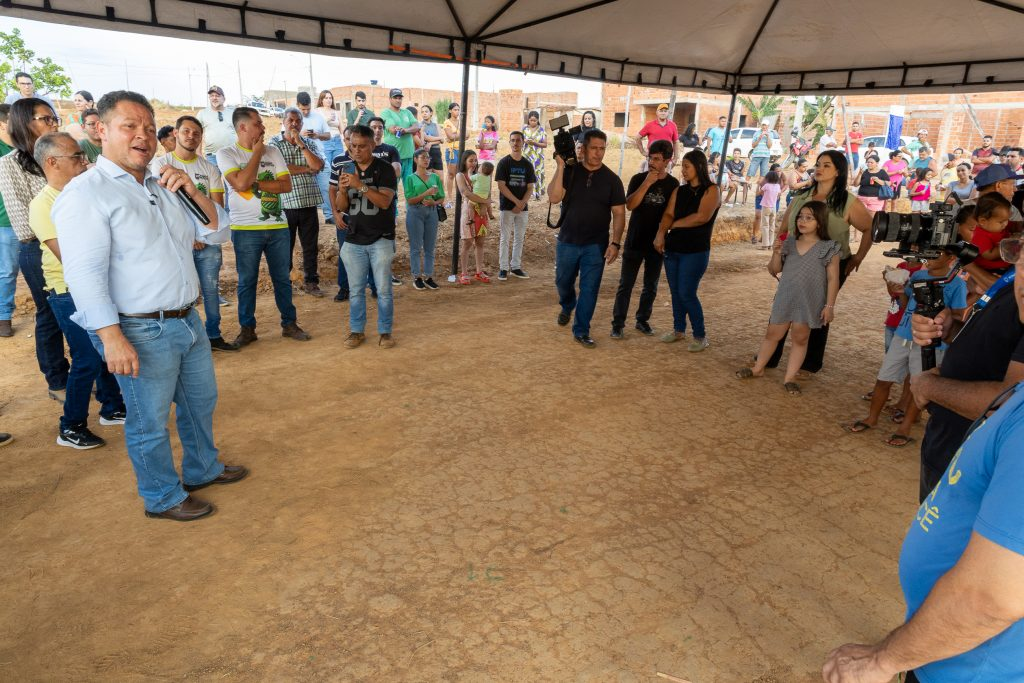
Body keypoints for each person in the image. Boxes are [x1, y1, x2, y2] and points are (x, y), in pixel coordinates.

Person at [823, 250, 1024, 682]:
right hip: (947, 649)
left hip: (973, 665)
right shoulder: (1007, 291)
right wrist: (953, 327)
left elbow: (989, 598)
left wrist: (883, 660)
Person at [53, 90, 247, 521]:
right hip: (140, 330)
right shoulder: (87, 194)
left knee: (200, 403)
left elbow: (218, 231)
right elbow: (83, 275)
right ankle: (162, 497)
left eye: (147, 126)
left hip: (186, 320)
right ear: (100, 131)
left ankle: (202, 469)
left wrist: (193, 192)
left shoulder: (162, 185)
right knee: (149, 423)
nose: (142, 135)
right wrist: (110, 337)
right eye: (129, 126)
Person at [908, 234, 1024, 503]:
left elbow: (1011, 402)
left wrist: (929, 385)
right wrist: (950, 330)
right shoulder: (1010, 282)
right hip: (948, 448)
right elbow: (993, 345)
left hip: (976, 470)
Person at [29, 131, 127, 449]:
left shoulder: (83, 193)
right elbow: (68, 256)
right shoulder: (42, 204)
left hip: (92, 284)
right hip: (67, 290)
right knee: (87, 357)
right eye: (76, 157)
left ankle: (111, 408)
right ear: (52, 162)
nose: (84, 163)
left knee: (101, 352)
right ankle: (70, 426)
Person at [762, 150, 875, 373]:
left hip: (829, 264)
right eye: (818, 164)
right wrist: (779, 251)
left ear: (838, 171)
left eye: (826, 165)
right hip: (796, 258)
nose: (819, 169)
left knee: (820, 310)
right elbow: (785, 227)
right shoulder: (802, 197)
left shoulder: (847, 201)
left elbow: (870, 228)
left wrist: (859, 257)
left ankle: (810, 361)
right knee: (783, 303)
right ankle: (770, 357)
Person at [843, 251, 968, 447]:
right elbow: (905, 303)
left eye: (938, 254)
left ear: (950, 257)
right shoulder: (918, 276)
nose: (930, 257)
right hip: (902, 335)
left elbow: (959, 316)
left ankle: (905, 428)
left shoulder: (957, 283)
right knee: (884, 379)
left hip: (930, 341)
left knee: (919, 386)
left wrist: (940, 312)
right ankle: (871, 418)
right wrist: (897, 289)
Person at [217, 106, 311, 346]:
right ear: (242, 127)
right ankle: (247, 329)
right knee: (247, 281)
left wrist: (253, 184)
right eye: (258, 123)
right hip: (245, 231)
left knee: (282, 278)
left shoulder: (274, 151)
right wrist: (257, 154)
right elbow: (239, 183)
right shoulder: (226, 154)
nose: (263, 127)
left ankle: (289, 324)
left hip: (278, 226)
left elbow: (285, 185)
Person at [149, 115, 236, 352]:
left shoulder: (208, 168)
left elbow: (216, 207)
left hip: (207, 243)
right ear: (175, 133)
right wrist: (189, 235)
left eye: (196, 133)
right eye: (186, 131)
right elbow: (166, 206)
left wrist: (200, 236)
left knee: (211, 290)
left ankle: (214, 336)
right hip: (178, 243)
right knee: (183, 292)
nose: (191, 136)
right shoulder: (160, 165)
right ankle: (188, 341)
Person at [0, 97, 69, 397]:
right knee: (50, 314)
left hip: (74, 242)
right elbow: (23, 222)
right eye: (45, 119)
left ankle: (86, 373)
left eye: (54, 119)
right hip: (37, 248)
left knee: (79, 309)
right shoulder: (9, 164)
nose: (52, 124)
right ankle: (57, 379)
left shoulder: (63, 158)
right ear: (23, 122)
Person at [736, 201, 839, 394]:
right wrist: (776, 253)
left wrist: (830, 306)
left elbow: (833, 278)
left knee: (800, 338)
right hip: (786, 296)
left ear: (820, 222)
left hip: (810, 301)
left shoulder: (828, 247)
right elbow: (775, 269)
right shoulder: (789, 243)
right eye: (800, 217)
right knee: (773, 334)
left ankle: (789, 378)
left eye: (809, 218)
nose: (803, 221)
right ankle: (758, 368)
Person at [547, 129, 625, 348]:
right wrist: (561, 166)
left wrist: (616, 243)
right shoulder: (571, 171)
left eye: (602, 148)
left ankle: (581, 330)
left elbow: (619, 213)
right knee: (562, 282)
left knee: (590, 289)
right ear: (583, 148)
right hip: (567, 241)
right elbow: (553, 197)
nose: (598, 153)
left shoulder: (612, 180)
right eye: (594, 148)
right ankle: (567, 303)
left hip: (595, 246)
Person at [335, 124, 398, 349]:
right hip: (353, 239)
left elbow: (384, 202)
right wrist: (343, 191)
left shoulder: (386, 169)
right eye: (353, 146)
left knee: (383, 290)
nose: (357, 150)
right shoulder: (347, 170)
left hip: (381, 238)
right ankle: (356, 331)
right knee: (356, 290)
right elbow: (341, 207)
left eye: (362, 146)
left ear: (372, 145)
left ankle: (385, 332)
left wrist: (360, 186)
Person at [654, 149, 721, 353]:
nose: (682, 170)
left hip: (695, 251)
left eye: (686, 166)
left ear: (699, 167)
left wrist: (673, 226)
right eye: (682, 166)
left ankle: (700, 336)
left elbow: (701, 217)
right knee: (676, 292)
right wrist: (660, 232)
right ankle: (678, 330)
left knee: (686, 292)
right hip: (673, 248)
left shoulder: (712, 190)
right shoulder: (679, 191)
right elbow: (667, 214)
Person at [611, 139, 678, 339]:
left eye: (657, 159)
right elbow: (630, 205)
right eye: (650, 157)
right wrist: (648, 183)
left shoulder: (673, 185)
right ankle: (618, 323)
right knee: (626, 284)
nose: (652, 162)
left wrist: (662, 237)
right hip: (635, 240)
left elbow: (671, 214)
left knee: (651, 285)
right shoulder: (638, 178)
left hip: (657, 244)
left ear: (667, 161)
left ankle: (642, 320)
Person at [271, 107, 326, 297]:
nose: (294, 124)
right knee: (284, 247)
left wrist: (301, 143)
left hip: (308, 202)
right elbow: (279, 169)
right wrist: (305, 169)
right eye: (291, 120)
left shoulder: (308, 142)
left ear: (302, 123)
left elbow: (318, 166)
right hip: (285, 204)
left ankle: (311, 282)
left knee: (310, 246)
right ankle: (285, 284)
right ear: (283, 121)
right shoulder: (273, 143)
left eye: (298, 121)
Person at [494, 130, 536, 281]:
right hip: (507, 207)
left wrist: (522, 203)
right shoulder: (504, 162)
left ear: (523, 142)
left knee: (519, 237)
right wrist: (516, 202)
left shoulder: (527, 164)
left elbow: (530, 187)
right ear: (509, 142)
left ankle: (516, 267)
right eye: (512, 140)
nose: (515, 143)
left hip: (522, 208)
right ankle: (503, 268)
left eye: (518, 140)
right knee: (505, 237)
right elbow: (501, 185)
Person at [404, 147, 444, 291]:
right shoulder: (410, 178)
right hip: (415, 212)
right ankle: (417, 277)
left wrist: (434, 202)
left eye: (428, 157)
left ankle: (428, 276)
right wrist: (426, 194)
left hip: (431, 211)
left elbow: (441, 198)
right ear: (415, 160)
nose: (426, 160)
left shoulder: (435, 177)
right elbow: (410, 200)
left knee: (430, 247)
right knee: (415, 247)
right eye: (423, 157)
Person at [315, 90, 344, 224]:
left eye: (330, 98)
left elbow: (342, 128)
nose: (328, 100)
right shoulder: (317, 112)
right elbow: (317, 129)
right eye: (326, 98)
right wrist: (326, 120)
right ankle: (328, 212)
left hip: (337, 141)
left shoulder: (336, 112)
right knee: (326, 177)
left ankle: (341, 206)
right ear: (321, 99)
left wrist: (345, 140)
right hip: (325, 143)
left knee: (340, 173)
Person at [0, 103, 16, 338]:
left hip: (30, 218)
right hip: (5, 221)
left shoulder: (24, 146)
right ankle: (3, 317)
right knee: (7, 271)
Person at [969, 193, 1013, 273]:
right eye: (1001, 222)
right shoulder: (980, 236)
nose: (1005, 224)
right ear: (983, 221)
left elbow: (1015, 225)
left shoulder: (997, 224)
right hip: (993, 269)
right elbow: (989, 255)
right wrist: (1008, 245)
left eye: (1007, 220)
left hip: (1007, 262)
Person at [380, 88, 419, 179]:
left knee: (409, 186)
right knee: (393, 185)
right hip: (393, 156)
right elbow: (393, 130)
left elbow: (417, 126)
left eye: (400, 98)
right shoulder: (386, 113)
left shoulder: (407, 112)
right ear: (390, 99)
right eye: (395, 98)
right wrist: (409, 129)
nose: (398, 100)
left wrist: (405, 130)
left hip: (409, 155)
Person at [197, 86, 237, 167]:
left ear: (224, 99)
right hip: (212, 157)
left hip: (231, 154)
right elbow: (197, 133)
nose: (214, 98)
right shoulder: (202, 113)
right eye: (212, 96)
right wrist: (198, 153)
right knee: (214, 179)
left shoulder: (233, 113)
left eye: (217, 96)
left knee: (231, 179)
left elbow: (241, 132)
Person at [636, 103, 678, 172]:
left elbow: (676, 142)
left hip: (667, 161)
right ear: (657, 112)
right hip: (652, 161)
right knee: (650, 179)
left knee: (666, 181)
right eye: (661, 111)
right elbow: (637, 138)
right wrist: (643, 152)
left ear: (668, 113)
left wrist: (675, 159)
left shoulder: (672, 125)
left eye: (665, 111)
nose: (663, 113)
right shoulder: (650, 125)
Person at [522, 110, 547, 200]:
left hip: (537, 157)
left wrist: (535, 143)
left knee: (537, 173)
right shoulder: (524, 129)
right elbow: (519, 140)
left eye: (535, 120)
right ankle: (526, 194)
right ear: (528, 120)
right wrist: (524, 141)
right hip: (527, 155)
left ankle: (537, 194)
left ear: (538, 120)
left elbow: (545, 144)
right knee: (527, 173)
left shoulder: (541, 130)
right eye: (531, 120)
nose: (532, 122)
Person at [442, 102, 464, 203]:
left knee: (460, 174)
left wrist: (455, 135)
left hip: (461, 150)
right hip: (452, 150)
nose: (457, 111)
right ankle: (450, 198)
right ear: (450, 111)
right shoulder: (447, 122)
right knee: (451, 174)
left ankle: (459, 196)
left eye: (458, 109)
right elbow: (450, 137)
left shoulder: (461, 121)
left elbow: (468, 135)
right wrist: (460, 134)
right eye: (455, 109)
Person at [757, 170, 783, 249]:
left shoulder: (767, 185)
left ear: (768, 178)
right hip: (773, 207)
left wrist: (759, 185)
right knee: (772, 226)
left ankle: (765, 244)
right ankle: (771, 244)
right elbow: (779, 195)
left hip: (766, 206)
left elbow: (759, 193)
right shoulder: (778, 186)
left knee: (765, 225)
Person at [419, 105, 444, 175]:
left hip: (436, 152)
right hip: (426, 152)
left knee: (440, 178)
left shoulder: (436, 125)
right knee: (428, 177)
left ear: (431, 113)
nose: (424, 113)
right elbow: (426, 137)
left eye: (426, 111)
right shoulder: (420, 125)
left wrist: (430, 143)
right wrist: (440, 138)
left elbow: (442, 141)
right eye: (422, 112)